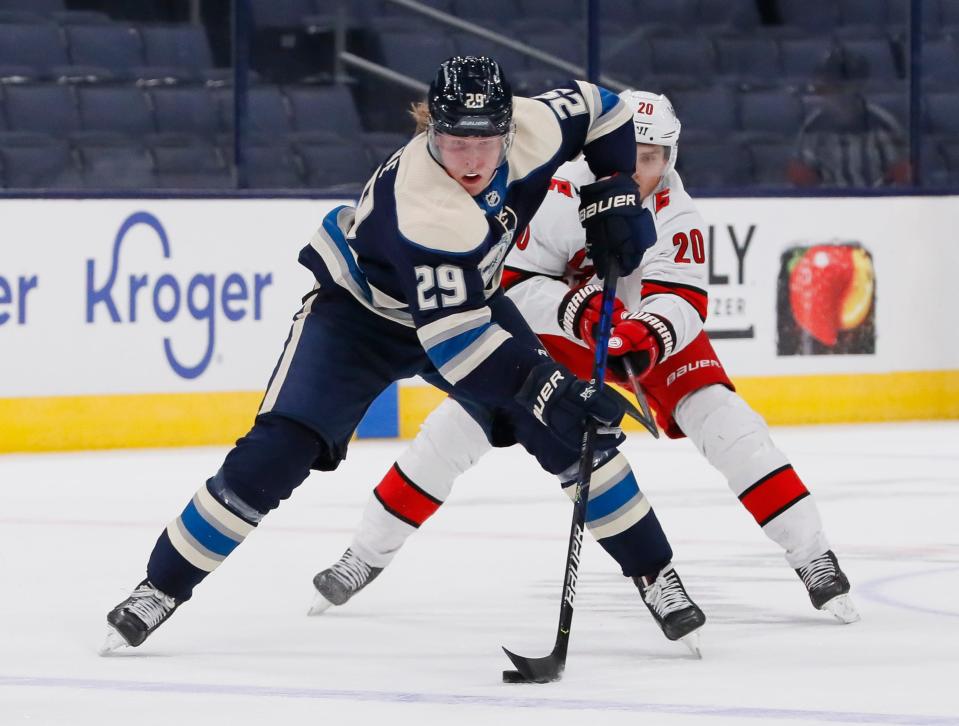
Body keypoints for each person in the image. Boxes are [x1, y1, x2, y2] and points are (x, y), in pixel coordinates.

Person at [100, 57, 705, 655]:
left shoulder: (536, 126)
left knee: (575, 440)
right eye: (452, 141)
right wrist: (552, 387)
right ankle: (160, 588)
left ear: (509, 128)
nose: (469, 160)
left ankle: (655, 572)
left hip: (469, 303)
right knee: (278, 451)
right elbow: (461, 347)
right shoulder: (424, 207)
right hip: (362, 319)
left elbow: (607, 110)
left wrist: (615, 188)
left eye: (484, 141)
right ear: (429, 129)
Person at [310, 90, 860, 627]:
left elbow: (683, 297)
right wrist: (579, 308)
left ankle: (812, 555)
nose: (642, 169)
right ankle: (365, 555)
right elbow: (510, 285)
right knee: (459, 425)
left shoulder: (677, 212)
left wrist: (646, 335)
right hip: (562, 325)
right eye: (634, 153)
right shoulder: (558, 192)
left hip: (639, 329)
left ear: (670, 157)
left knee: (728, 422)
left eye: (654, 158)